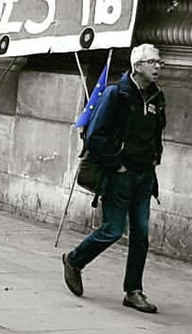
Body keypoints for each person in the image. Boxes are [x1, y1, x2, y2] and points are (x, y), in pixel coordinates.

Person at [61, 44, 166, 313]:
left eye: (159, 62)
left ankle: (134, 291)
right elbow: (95, 136)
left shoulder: (156, 97)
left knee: (141, 235)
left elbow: (156, 132)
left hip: (144, 175)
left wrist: (155, 157)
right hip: (121, 175)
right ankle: (74, 260)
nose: (158, 67)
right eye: (153, 62)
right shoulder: (116, 94)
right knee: (113, 230)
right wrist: (116, 164)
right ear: (138, 66)